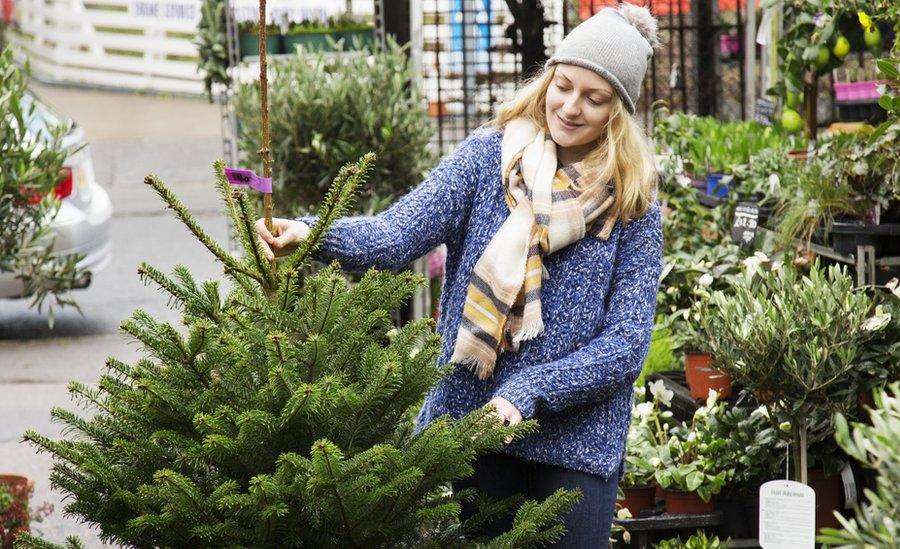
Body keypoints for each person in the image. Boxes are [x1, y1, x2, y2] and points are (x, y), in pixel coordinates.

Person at [255, 4, 663, 547]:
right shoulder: (487, 159)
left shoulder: (634, 203)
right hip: (476, 424)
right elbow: (397, 233)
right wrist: (314, 233)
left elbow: (627, 345)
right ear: (548, 78)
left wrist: (530, 391)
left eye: (594, 98)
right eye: (563, 86)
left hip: (579, 441)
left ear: (619, 112)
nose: (570, 107)